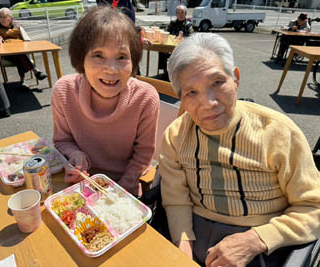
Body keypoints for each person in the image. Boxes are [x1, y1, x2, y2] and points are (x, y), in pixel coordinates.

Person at [159, 32, 320, 266]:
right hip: (194, 232)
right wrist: (182, 249)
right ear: (181, 99)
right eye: (191, 92)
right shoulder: (175, 135)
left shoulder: (279, 133)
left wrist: (256, 240)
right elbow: (176, 200)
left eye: (217, 82)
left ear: (236, 78)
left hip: (263, 245)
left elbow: (314, 206)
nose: (209, 103)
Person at [51, 6, 160, 196]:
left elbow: (143, 155)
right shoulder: (64, 91)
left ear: (133, 61)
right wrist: (75, 155)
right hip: (79, 182)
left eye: (121, 57)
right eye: (98, 55)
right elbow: (62, 140)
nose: (111, 69)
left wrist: (118, 193)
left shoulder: (145, 97)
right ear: (81, 58)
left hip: (123, 187)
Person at [0, 8, 47, 86]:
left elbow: (26, 38)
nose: (2, 19)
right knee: (20, 55)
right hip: (6, 53)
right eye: (0, 17)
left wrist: (26, 46)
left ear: (11, 18)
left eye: (5, 17)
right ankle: (35, 71)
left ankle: (22, 81)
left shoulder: (17, 25)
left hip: (20, 51)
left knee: (19, 55)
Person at [158, 5, 193, 77]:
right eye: (178, 12)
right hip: (170, 45)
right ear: (176, 14)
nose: (180, 14)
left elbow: (191, 38)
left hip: (182, 47)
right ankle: (164, 71)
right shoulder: (172, 23)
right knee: (161, 50)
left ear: (185, 14)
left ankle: (179, 73)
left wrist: (182, 38)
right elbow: (166, 32)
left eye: (182, 12)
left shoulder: (189, 25)